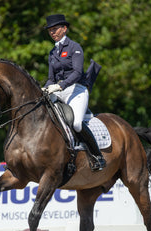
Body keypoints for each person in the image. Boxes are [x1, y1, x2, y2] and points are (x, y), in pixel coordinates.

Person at [43, 14, 106, 171]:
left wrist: (61, 85)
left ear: (64, 29)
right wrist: (45, 88)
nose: (52, 32)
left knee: (76, 123)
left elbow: (77, 72)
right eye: (50, 30)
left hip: (76, 89)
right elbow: (51, 78)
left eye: (55, 29)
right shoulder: (52, 53)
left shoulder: (75, 47)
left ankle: (97, 156)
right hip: (59, 90)